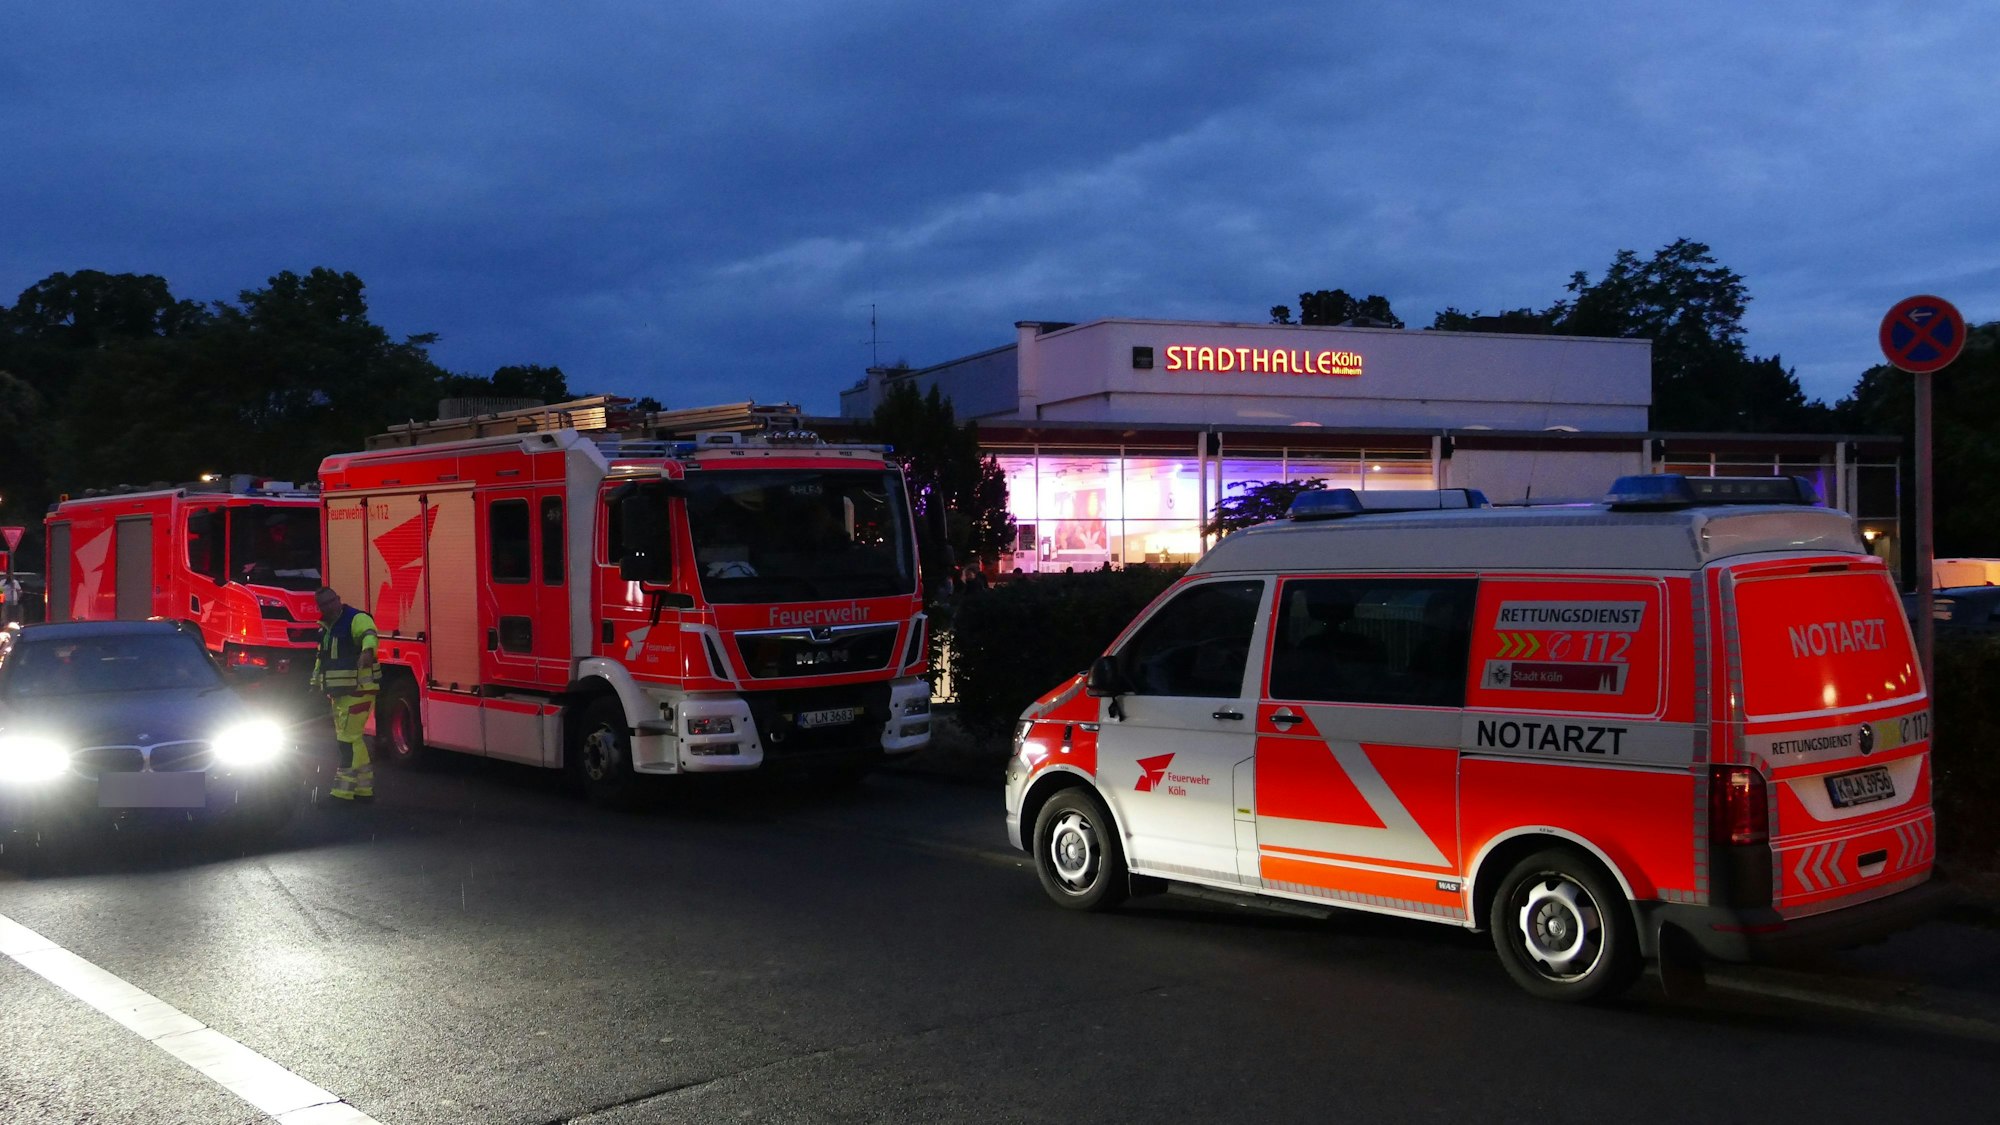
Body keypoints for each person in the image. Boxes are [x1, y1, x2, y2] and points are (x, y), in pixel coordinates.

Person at [309, 585, 381, 802]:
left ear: (339, 599)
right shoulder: (326, 628)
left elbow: (369, 635)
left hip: (358, 690)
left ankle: (342, 793)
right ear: (319, 607)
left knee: (347, 742)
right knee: (353, 739)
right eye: (324, 604)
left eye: (332, 601)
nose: (329, 606)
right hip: (341, 692)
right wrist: (315, 684)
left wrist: (368, 651)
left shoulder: (356, 619)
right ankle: (363, 789)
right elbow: (322, 660)